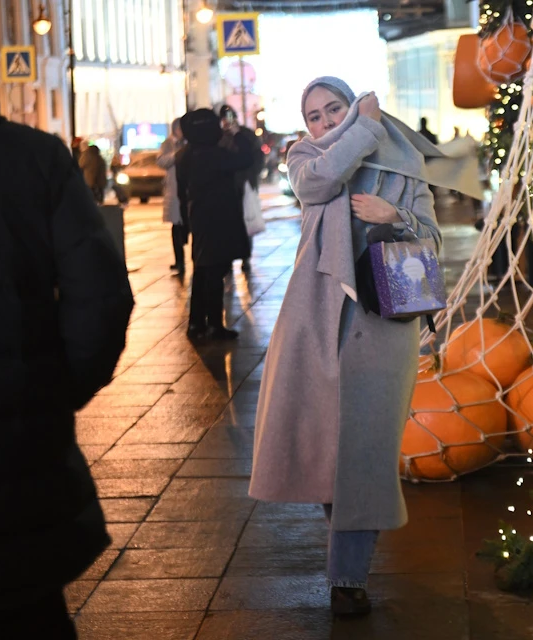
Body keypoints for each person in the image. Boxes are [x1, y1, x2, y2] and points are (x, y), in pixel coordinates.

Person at [0, 5, 135, 638]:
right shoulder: (34, 159)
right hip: (18, 453)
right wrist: (54, 389)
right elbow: (101, 295)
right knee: (24, 611)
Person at [250, 77, 442, 617]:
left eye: (335, 109)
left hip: (382, 323)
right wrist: (365, 127)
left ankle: (347, 577)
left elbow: (431, 238)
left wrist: (393, 217)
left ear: (350, 104)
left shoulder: (402, 164)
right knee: (321, 449)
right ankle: (346, 543)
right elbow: (320, 184)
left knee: (365, 454)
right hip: (314, 320)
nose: (325, 123)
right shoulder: (304, 158)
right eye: (315, 115)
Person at [176, 108, 254, 341]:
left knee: (202, 271)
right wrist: (237, 133)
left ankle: (197, 324)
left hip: (199, 219)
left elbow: (182, 192)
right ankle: (213, 325)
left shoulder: (185, 155)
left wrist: (185, 222)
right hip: (219, 221)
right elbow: (246, 158)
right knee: (214, 272)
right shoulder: (213, 155)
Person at [219, 104, 265, 273]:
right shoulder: (219, 137)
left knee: (247, 220)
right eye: (223, 119)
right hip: (226, 188)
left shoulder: (245, 135)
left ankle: (246, 257)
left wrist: (252, 178)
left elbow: (257, 158)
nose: (226, 122)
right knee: (228, 224)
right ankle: (229, 258)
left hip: (245, 184)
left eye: (229, 118)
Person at [157, 117, 188, 273]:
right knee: (176, 227)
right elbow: (161, 161)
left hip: (187, 191)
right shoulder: (168, 144)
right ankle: (179, 261)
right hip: (175, 191)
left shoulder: (189, 143)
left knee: (188, 226)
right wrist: (176, 155)